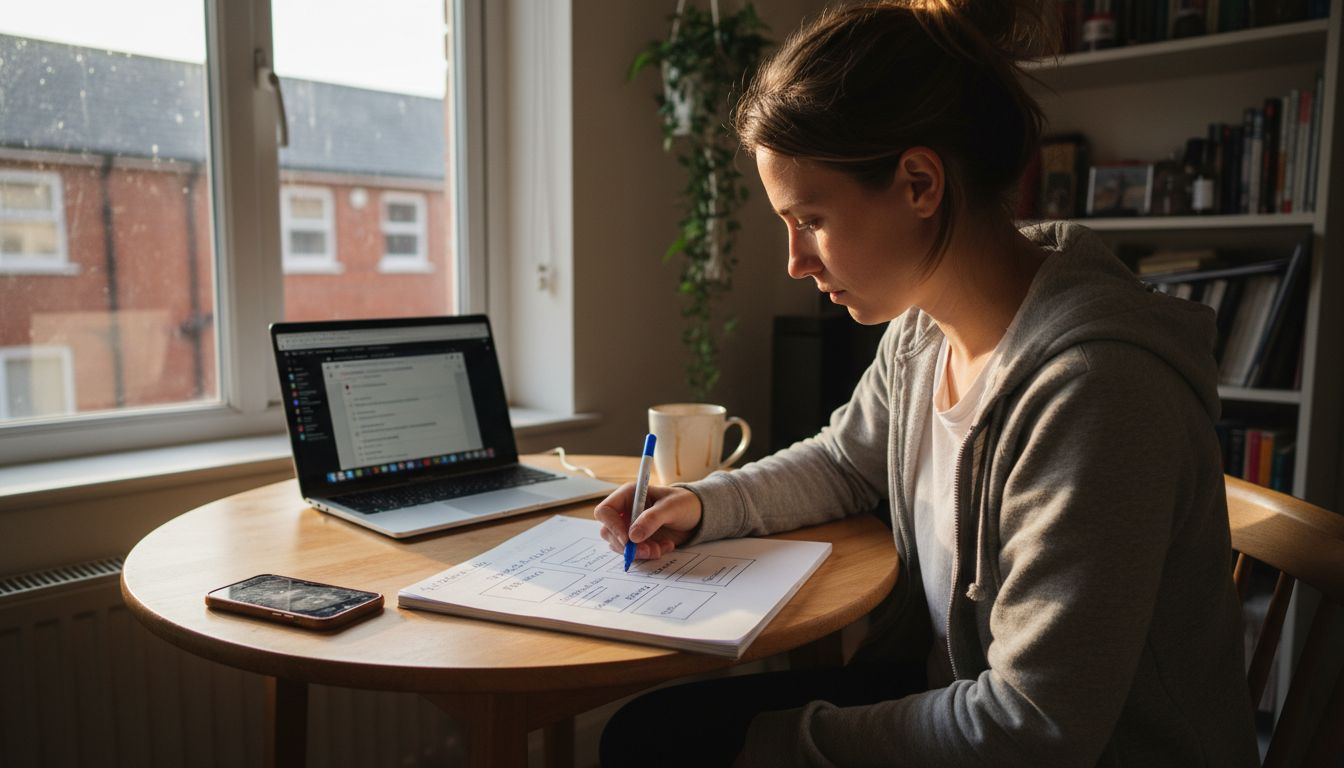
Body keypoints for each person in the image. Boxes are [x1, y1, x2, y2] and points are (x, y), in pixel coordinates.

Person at [594, 1, 1259, 766]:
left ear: (919, 183)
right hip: (959, 694)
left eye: (809, 219)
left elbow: (1032, 728)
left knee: (665, 747)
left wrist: (776, 746)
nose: (795, 262)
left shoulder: (1096, 393)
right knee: (645, 736)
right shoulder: (922, 331)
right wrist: (707, 503)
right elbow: (846, 461)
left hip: (1064, 747)